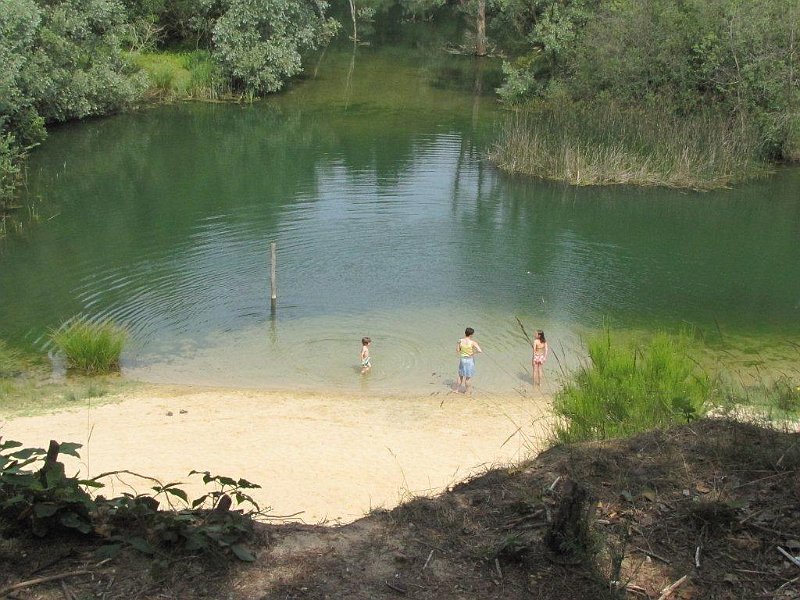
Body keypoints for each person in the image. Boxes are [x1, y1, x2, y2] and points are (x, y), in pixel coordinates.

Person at [455, 327, 482, 394]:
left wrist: (458, 344)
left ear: (465, 333)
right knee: (468, 378)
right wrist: (473, 353)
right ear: (471, 335)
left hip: (463, 360)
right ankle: (467, 391)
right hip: (469, 360)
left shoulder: (460, 341)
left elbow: (458, 350)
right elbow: (479, 350)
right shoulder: (473, 342)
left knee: (460, 375)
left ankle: (457, 390)